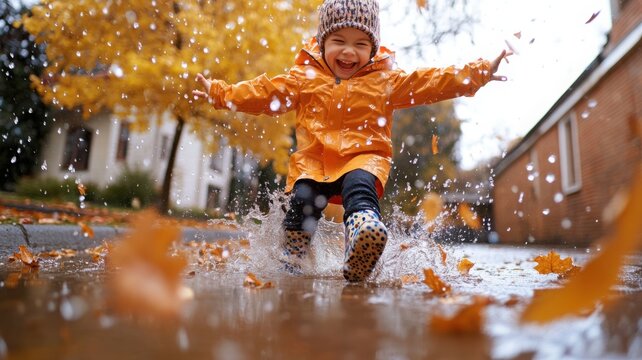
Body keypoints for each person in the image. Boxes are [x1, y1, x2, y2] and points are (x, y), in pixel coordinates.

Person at [192, 0, 510, 282]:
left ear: (372, 49)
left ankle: (362, 237)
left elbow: (430, 82)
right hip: (313, 163)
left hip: (364, 157)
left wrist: (479, 72)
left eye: (360, 44)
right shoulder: (303, 78)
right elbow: (264, 93)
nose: (348, 51)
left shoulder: (385, 80)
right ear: (322, 42)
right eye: (339, 41)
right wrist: (219, 93)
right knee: (302, 199)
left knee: (360, 189)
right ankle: (292, 254)